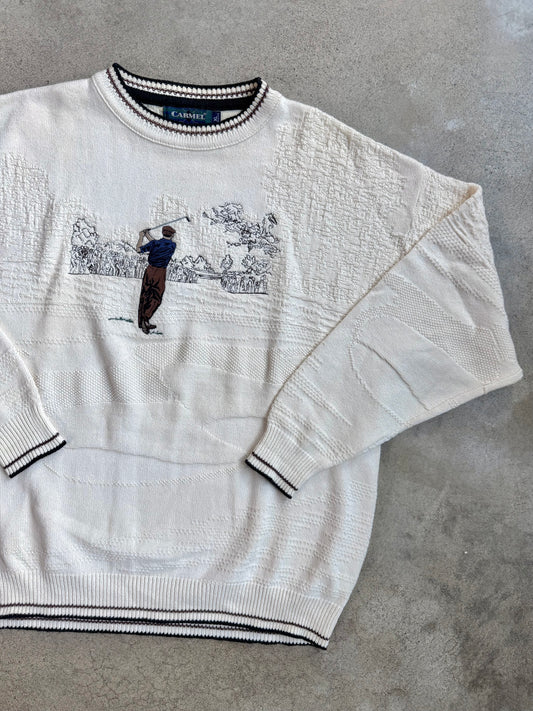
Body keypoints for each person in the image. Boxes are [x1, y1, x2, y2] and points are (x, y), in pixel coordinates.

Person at [135, 225, 177, 334]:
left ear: (163, 233)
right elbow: (158, 244)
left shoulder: (155, 244)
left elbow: (139, 249)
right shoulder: (172, 245)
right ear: (172, 235)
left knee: (145, 295)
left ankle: (142, 321)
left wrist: (142, 236)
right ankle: (146, 318)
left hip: (150, 271)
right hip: (160, 273)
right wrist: (147, 235)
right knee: (156, 297)